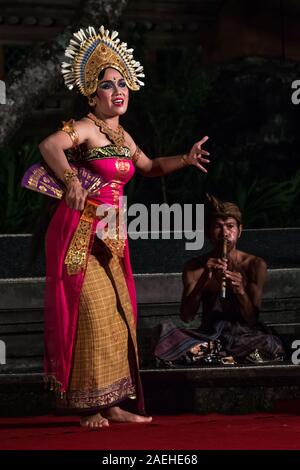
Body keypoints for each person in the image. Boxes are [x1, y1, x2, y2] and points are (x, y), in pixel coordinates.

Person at [22, 25, 210, 428]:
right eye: (108, 85)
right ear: (93, 94)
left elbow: (151, 167)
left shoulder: (123, 136)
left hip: (112, 232)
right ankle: (87, 405)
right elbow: (49, 146)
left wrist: (185, 158)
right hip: (78, 231)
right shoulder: (86, 127)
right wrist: (71, 181)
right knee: (89, 309)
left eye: (123, 83)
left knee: (117, 312)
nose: (118, 90)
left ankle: (112, 403)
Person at [154, 195, 285, 366]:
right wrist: (203, 280)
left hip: (244, 336)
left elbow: (252, 319)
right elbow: (186, 316)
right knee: (163, 332)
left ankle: (213, 355)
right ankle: (224, 355)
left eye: (230, 226)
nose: (224, 233)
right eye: (218, 227)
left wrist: (240, 291)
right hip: (208, 334)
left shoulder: (254, 265)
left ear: (239, 230)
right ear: (209, 232)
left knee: (270, 343)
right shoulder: (195, 266)